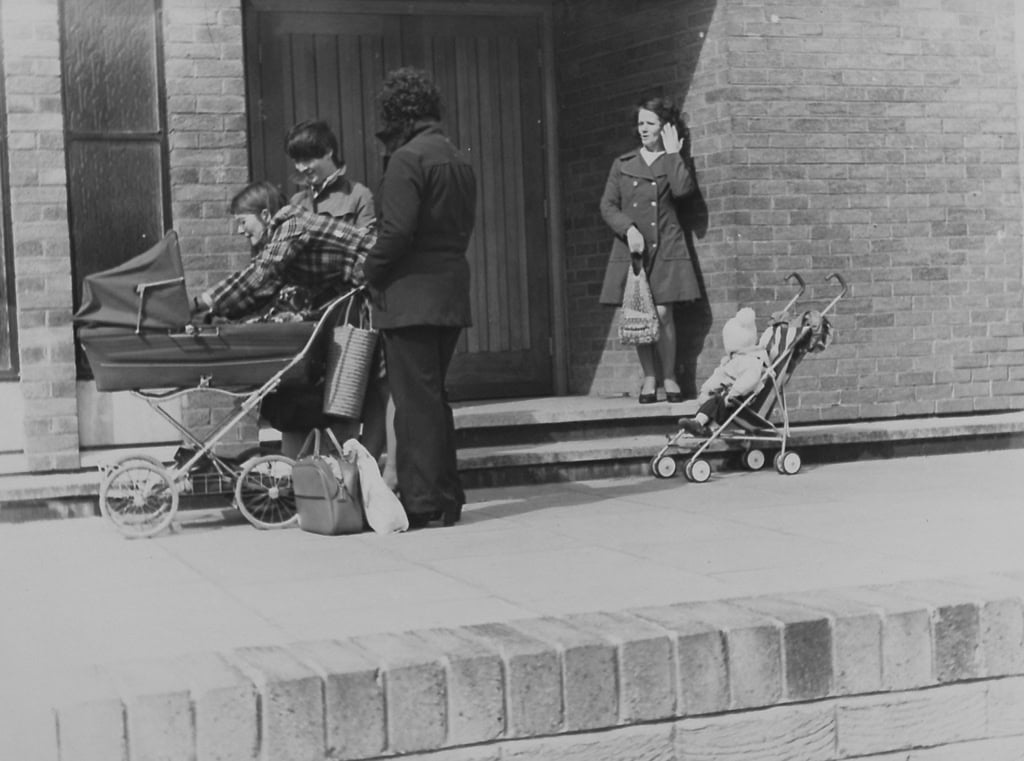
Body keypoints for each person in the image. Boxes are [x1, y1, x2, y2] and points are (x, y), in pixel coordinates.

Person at [362, 67, 477, 529]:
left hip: (409, 297)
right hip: (450, 291)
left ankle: (425, 502)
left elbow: (396, 233)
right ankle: (445, 497)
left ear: (397, 115)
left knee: (415, 402)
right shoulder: (457, 158)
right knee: (433, 398)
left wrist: (368, 269)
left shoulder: (407, 160)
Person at [194, 180, 374, 458]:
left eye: (243, 222)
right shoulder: (277, 238)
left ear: (265, 215)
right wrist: (214, 315)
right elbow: (263, 291)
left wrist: (203, 301)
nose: (240, 231)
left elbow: (260, 274)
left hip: (375, 292)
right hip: (351, 295)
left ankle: (361, 473)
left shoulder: (292, 225)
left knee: (360, 388)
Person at [284, 120, 395, 489]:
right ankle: (318, 479)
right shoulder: (297, 201)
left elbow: (368, 252)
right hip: (312, 313)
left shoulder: (358, 196)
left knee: (351, 393)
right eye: (296, 161)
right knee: (313, 394)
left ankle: (358, 476)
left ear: (329, 153)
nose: (301, 169)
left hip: (350, 310)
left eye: (308, 159)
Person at [599, 96, 699, 404]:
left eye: (650, 123)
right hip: (636, 249)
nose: (643, 129)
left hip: (667, 245)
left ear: (665, 127)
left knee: (664, 312)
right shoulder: (624, 163)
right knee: (640, 312)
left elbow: (683, 190)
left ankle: (668, 376)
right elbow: (608, 205)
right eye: (640, 123)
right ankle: (649, 378)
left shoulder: (673, 158)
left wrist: (673, 155)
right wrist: (628, 229)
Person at [678, 307, 769, 437]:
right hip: (728, 397)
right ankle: (703, 427)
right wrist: (707, 388)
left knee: (716, 401)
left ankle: (699, 423)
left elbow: (750, 379)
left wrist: (734, 393)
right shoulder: (733, 360)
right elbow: (720, 375)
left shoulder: (752, 360)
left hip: (740, 398)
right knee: (713, 399)